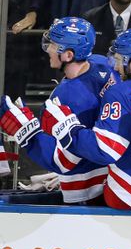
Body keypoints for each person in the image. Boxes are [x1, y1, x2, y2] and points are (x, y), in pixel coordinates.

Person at [34, 28, 131, 214]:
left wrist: (68, 129)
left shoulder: (121, 93)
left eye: (118, 60)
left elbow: (105, 150)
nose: (115, 67)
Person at [0, 17, 119, 204]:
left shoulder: (66, 96)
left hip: (86, 190)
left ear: (68, 55)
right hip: (113, 177)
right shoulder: (101, 63)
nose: (48, 49)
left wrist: (27, 133)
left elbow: (63, 161)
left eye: (53, 45)